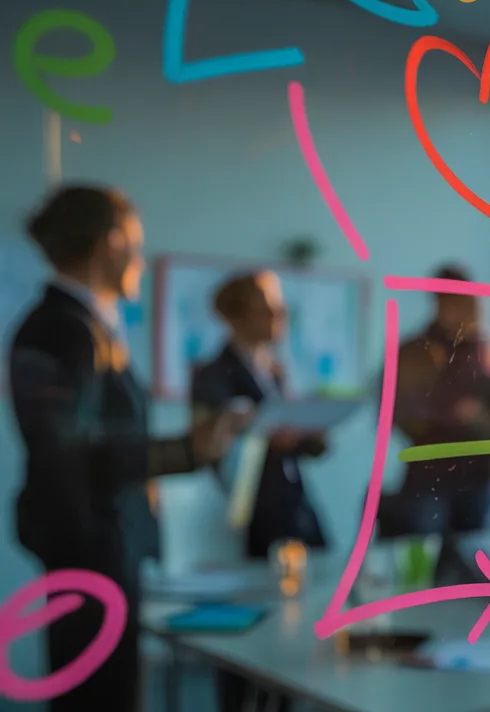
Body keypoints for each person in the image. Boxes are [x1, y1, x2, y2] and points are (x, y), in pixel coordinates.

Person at [7, 185, 245, 712]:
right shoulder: (63, 329)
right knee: (97, 698)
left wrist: (190, 449)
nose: (141, 256)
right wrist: (187, 449)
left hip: (99, 543)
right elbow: (71, 451)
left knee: (107, 692)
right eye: (135, 243)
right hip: (91, 544)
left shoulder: (81, 324)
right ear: (110, 243)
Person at [192, 272, 326, 712]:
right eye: (267, 309)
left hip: (290, 507)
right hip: (246, 514)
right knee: (244, 631)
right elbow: (210, 444)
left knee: (294, 622)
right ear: (235, 317)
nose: (279, 317)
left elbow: (292, 440)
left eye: (281, 308)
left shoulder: (274, 369)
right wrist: (256, 430)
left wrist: (311, 433)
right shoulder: (213, 373)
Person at [388, 264, 490, 578]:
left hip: (477, 471)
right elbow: (399, 411)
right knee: (423, 569)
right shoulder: (416, 351)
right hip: (430, 473)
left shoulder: (482, 349)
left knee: (475, 565)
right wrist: (448, 415)